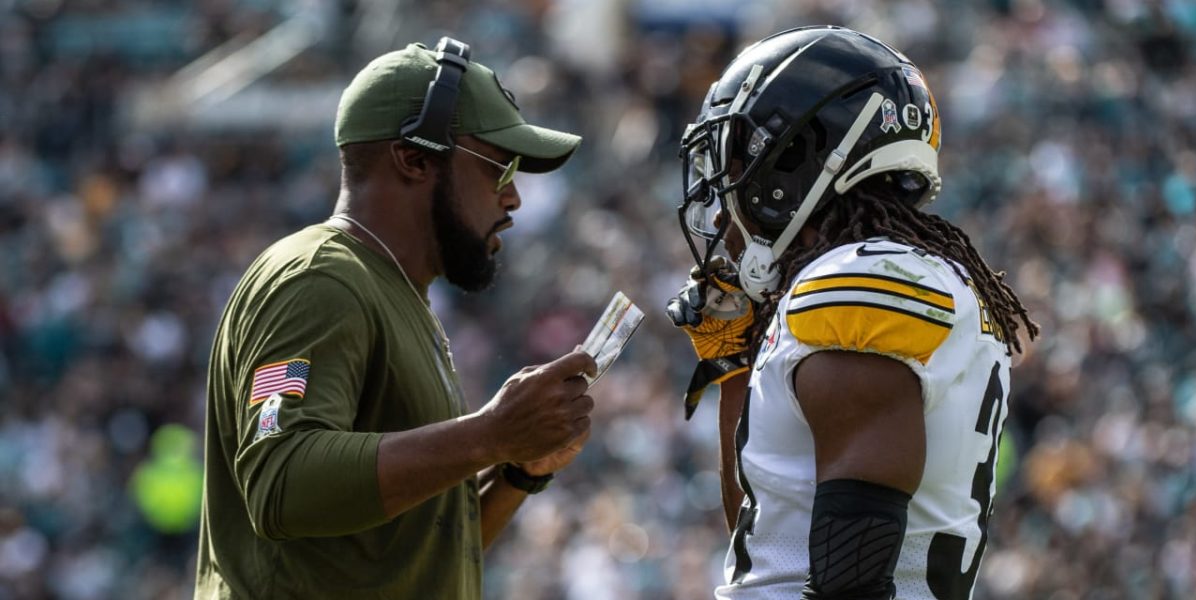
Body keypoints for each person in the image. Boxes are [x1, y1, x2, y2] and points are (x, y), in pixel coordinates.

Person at [195, 38, 597, 599]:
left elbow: (414, 561)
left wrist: (515, 470)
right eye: (499, 170)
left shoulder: (398, 296)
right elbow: (280, 482)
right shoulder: (317, 280)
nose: (514, 200)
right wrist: (488, 434)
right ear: (413, 158)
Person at [667, 26, 1040, 599]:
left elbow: (851, 582)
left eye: (739, 160)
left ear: (792, 158)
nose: (722, 207)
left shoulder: (861, 285)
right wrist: (735, 370)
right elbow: (774, 541)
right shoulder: (900, 273)